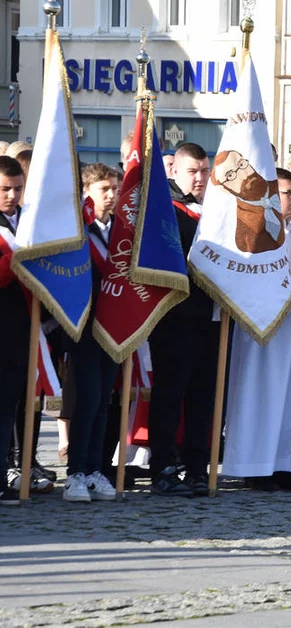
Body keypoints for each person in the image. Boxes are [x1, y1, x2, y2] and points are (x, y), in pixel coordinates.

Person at [223, 169, 291, 491]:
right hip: (265, 326)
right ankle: (255, 466)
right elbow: (252, 279)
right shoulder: (255, 232)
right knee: (262, 393)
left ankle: (285, 464)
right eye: (287, 192)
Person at [148, 142, 217, 497]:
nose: (200, 178)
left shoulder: (218, 210)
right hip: (175, 316)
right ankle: (162, 466)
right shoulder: (166, 210)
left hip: (212, 316)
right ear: (174, 170)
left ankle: (196, 466)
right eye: (193, 171)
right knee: (170, 394)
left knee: (203, 396)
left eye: (205, 171)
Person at [62, 164, 122, 503]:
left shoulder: (123, 231)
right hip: (85, 325)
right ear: (88, 192)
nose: (111, 195)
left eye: (114, 188)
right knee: (87, 400)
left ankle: (96, 468)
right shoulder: (78, 231)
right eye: (104, 189)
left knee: (104, 401)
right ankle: (76, 473)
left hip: (113, 326)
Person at [0, 156, 28, 505]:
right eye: (4, 189)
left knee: (8, 408)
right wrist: (19, 257)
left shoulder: (29, 223)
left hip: (18, 332)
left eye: (17, 189)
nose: (11, 195)